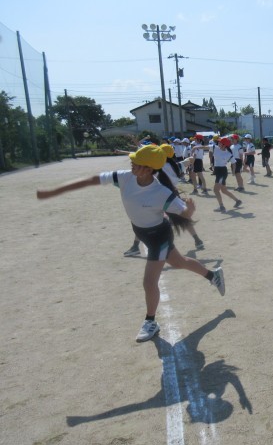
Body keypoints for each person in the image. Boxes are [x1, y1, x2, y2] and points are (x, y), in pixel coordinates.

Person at [36, 145, 226, 342]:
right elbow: (92, 180)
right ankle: (213, 276)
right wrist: (55, 191)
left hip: (158, 237)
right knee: (179, 262)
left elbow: (184, 213)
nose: (132, 163)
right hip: (142, 232)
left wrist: (190, 210)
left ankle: (150, 321)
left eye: (137, 162)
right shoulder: (125, 177)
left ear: (149, 169)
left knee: (149, 282)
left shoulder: (161, 192)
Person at [212, 137, 242, 213]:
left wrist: (233, 171)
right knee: (224, 190)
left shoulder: (228, 154)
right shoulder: (215, 148)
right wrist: (195, 147)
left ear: (224, 145)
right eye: (219, 142)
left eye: (220, 142)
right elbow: (204, 147)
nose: (218, 143)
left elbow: (234, 162)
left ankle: (221, 206)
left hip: (222, 172)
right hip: (219, 171)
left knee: (216, 190)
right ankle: (237, 201)